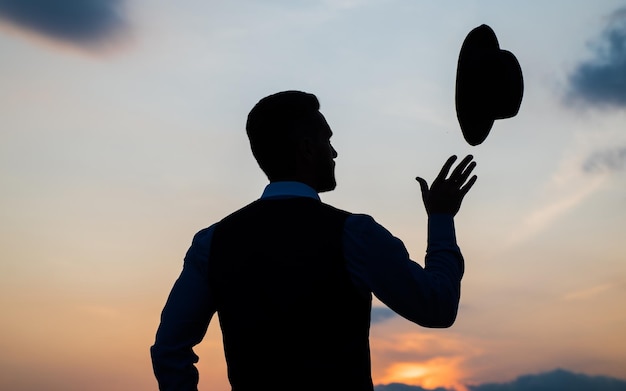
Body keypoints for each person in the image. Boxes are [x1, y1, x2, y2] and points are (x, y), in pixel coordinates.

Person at [150, 90, 477, 391]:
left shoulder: (212, 243)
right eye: (327, 140)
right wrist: (441, 217)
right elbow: (438, 306)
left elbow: (169, 349)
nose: (334, 152)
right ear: (307, 148)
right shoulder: (354, 234)